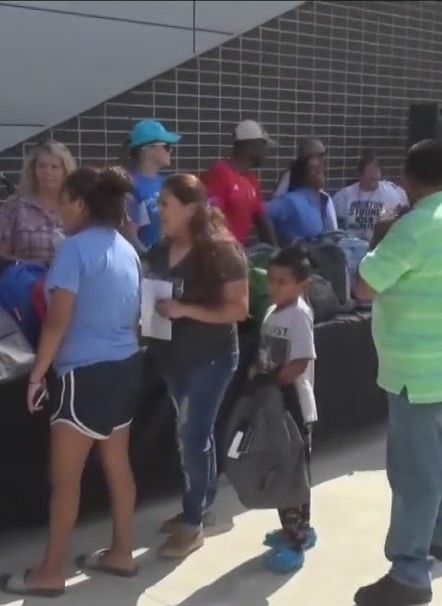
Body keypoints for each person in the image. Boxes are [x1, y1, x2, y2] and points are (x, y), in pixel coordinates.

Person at [352, 140, 442, 606]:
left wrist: (382, 234)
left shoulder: (412, 228)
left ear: (409, 180)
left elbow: (364, 286)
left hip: (416, 374)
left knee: (414, 473)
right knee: (438, 458)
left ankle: (410, 572)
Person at [0, 166, 143, 598]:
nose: (59, 209)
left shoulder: (74, 250)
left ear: (80, 204)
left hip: (84, 374)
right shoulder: (127, 248)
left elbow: (57, 322)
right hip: (127, 368)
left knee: (65, 480)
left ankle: (50, 570)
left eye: (64, 200)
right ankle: (121, 552)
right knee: (118, 465)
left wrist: (37, 375)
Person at [144, 174, 249, 558]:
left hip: (212, 357)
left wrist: (185, 309)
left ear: (190, 208)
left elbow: (239, 307)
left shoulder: (220, 250)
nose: (160, 212)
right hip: (171, 358)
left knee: (193, 436)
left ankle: (193, 524)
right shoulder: (160, 249)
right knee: (191, 434)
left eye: (166, 204)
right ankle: (201, 506)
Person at [254, 246, 318, 574]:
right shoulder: (273, 311)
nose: (275, 287)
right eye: (272, 280)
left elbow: (302, 360)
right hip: (273, 405)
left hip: (293, 406)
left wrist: (274, 382)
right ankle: (293, 529)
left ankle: (297, 541)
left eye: (283, 282)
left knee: (293, 474)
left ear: (302, 285)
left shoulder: (299, 315)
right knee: (279, 471)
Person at [0, 141, 76, 266]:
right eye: (42, 166)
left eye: (54, 167)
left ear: (65, 171)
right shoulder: (15, 205)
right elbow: (0, 255)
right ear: (33, 170)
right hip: (28, 280)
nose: (47, 171)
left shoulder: (75, 206)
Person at [203, 120, 277, 245]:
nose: (266, 152)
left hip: (236, 254)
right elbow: (210, 220)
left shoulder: (252, 180)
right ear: (251, 145)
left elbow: (262, 221)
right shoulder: (220, 173)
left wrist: (277, 253)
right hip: (217, 254)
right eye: (263, 145)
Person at [125, 119, 181, 250]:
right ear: (148, 149)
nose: (171, 150)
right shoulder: (129, 185)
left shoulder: (166, 183)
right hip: (147, 265)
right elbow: (129, 233)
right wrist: (148, 260)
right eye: (167, 146)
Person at [332, 152, 408, 240]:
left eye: (376, 171)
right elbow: (336, 226)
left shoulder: (393, 194)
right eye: (370, 172)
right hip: (352, 245)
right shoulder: (344, 196)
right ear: (360, 175)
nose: (374, 175)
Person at [266, 155, 338, 244]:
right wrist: (274, 245)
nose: (319, 172)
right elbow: (261, 211)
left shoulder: (324, 199)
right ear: (301, 176)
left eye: (320, 168)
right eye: (313, 169)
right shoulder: (291, 201)